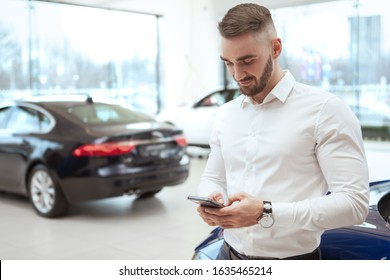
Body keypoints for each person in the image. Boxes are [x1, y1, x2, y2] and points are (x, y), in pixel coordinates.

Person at [197, 3, 369, 260]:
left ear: (275, 48)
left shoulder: (326, 111)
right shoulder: (226, 114)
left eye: (246, 61)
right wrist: (209, 199)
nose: (237, 74)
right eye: (228, 63)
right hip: (227, 255)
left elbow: (354, 204)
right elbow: (213, 177)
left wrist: (265, 212)